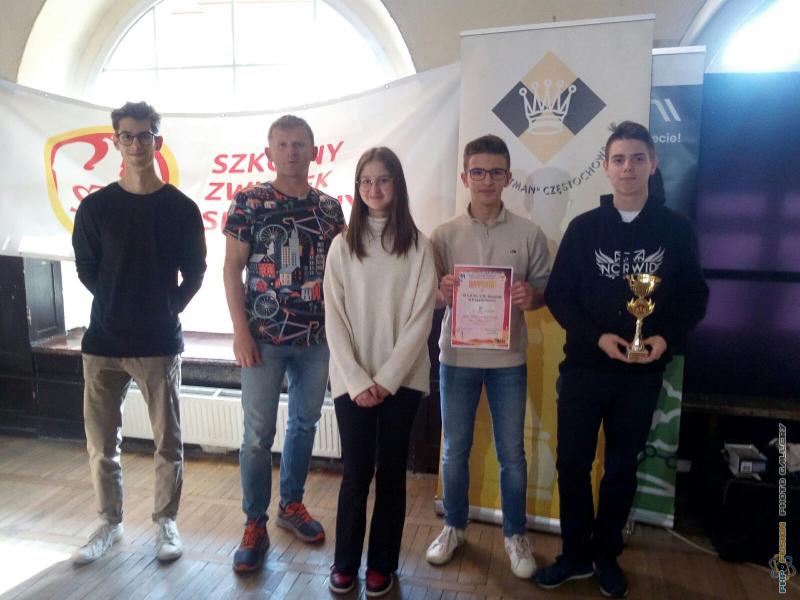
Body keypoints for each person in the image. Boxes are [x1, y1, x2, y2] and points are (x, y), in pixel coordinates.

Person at [535, 121, 708, 598]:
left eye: (637, 158)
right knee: (572, 464)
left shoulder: (676, 230)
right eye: (618, 159)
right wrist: (599, 338)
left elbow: (694, 297)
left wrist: (664, 339)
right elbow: (560, 296)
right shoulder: (583, 228)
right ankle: (574, 556)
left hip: (640, 374)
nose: (627, 167)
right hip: (584, 369)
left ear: (653, 164)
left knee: (621, 468)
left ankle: (606, 555)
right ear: (606, 168)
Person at [71, 101, 207, 565]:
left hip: (158, 344)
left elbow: (195, 272)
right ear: (116, 142)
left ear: (157, 141)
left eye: (144, 135)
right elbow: (87, 267)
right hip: (103, 343)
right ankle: (108, 523)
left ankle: (166, 521)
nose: (135, 144)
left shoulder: (180, 209)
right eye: (126, 136)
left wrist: (166, 308)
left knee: (167, 442)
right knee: (100, 443)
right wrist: (115, 301)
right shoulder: (96, 207)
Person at [223, 114, 345, 573]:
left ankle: (291, 504)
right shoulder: (249, 201)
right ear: (269, 151)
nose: (291, 151)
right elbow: (231, 269)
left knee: (304, 423)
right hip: (263, 338)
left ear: (314, 151)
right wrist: (240, 331)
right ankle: (254, 523)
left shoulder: (331, 209)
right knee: (257, 435)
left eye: (299, 144)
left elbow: (342, 275)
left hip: (317, 339)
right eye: (283, 144)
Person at [426, 134, 550, 579]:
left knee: (511, 454)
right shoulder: (442, 235)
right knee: (454, 450)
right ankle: (454, 526)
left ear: (508, 177)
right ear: (465, 177)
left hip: (508, 361)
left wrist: (532, 296)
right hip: (456, 358)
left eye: (495, 172)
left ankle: (515, 534)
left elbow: (544, 291)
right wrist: (440, 293)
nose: (486, 180)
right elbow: (430, 299)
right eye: (477, 171)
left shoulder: (529, 233)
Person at [324, 147, 437, 596]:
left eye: (383, 179)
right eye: (366, 181)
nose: (374, 188)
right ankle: (345, 563)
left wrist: (387, 380)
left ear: (397, 185)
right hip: (350, 381)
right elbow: (334, 318)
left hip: (402, 381)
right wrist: (357, 380)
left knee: (391, 473)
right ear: (357, 187)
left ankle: (382, 565)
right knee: (355, 473)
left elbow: (420, 320)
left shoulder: (420, 246)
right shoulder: (342, 246)